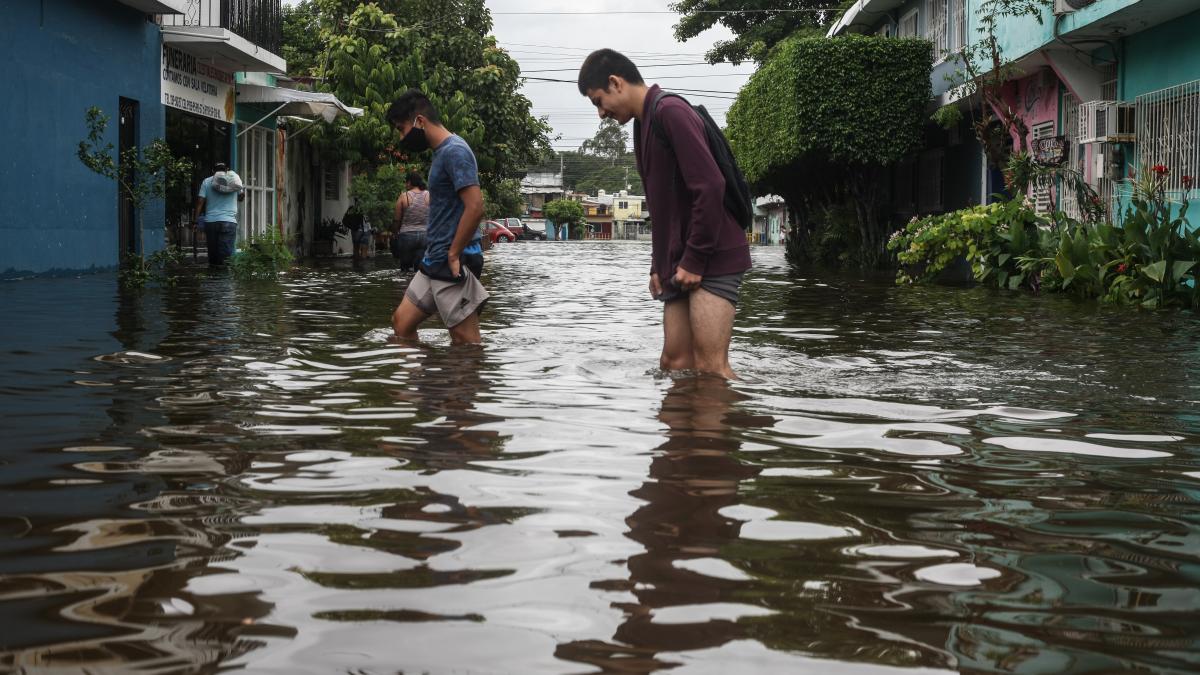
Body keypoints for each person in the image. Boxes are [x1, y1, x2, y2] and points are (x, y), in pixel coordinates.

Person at [578, 49, 751, 379]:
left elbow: (710, 186)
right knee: (674, 364)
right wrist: (661, 265)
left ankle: (727, 429)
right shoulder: (643, 125)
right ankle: (685, 432)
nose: (601, 113)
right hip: (682, 260)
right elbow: (663, 207)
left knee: (711, 368)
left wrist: (694, 260)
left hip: (712, 254)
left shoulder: (670, 111)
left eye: (599, 101)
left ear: (616, 83)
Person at [385, 89, 488, 345]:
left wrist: (454, 254)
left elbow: (475, 207)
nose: (402, 137)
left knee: (466, 342)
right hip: (435, 257)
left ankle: (465, 384)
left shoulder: (455, 151)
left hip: (453, 259)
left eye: (402, 128)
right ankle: (426, 383)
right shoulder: (442, 151)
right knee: (401, 324)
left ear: (420, 121)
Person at [192, 162, 243, 266]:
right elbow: (241, 197)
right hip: (229, 222)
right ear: (227, 170)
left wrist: (195, 221)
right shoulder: (233, 180)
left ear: (212, 171)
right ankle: (224, 280)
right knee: (225, 257)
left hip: (211, 222)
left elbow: (200, 202)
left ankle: (213, 280)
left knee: (213, 256)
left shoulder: (207, 181)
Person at [391, 171, 430, 273]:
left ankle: (405, 288)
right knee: (420, 271)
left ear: (410, 182)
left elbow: (396, 219)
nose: (405, 185)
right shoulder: (429, 195)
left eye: (406, 182)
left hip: (406, 236)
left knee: (405, 270)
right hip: (425, 236)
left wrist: (394, 233)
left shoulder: (404, 196)